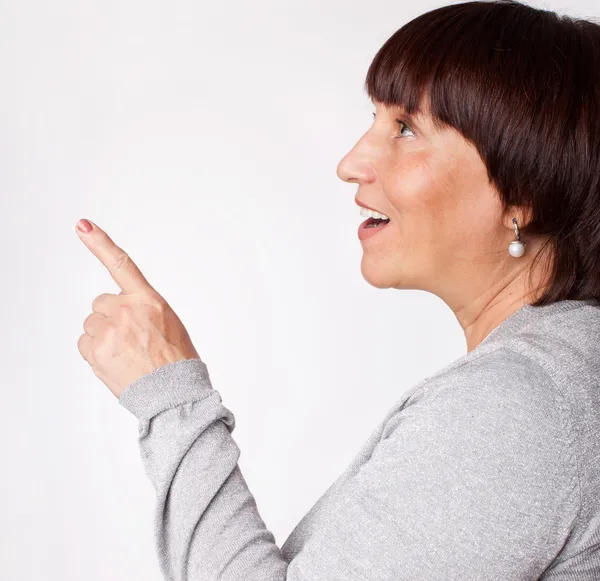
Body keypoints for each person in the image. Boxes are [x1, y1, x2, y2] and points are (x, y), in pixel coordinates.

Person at [114, 0, 600, 579]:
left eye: (406, 128)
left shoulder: (517, 404)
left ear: (527, 193)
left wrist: (169, 394)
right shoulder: (568, 367)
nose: (350, 163)